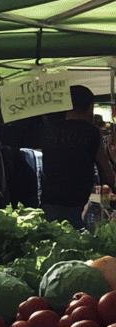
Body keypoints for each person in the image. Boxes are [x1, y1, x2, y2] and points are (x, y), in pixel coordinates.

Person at [41, 85, 116, 226]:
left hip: (50, 200)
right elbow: (105, 169)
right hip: (80, 203)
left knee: (53, 240)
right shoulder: (91, 132)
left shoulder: (49, 130)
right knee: (80, 244)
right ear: (90, 106)